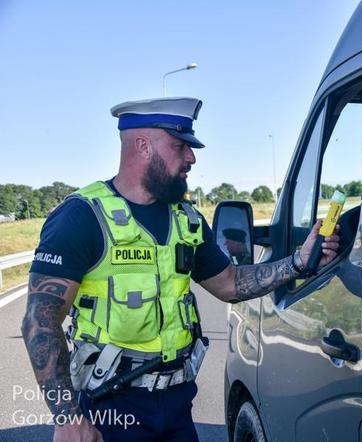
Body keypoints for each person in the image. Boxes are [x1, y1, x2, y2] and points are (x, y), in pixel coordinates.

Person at [20, 97, 340, 442]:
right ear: (142, 146)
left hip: (177, 404)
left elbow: (230, 284)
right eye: (180, 146)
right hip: (110, 408)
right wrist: (67, 417)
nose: (192, 157)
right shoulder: (82, 217)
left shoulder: (185, 219)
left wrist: (298, 262)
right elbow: (40, 321)